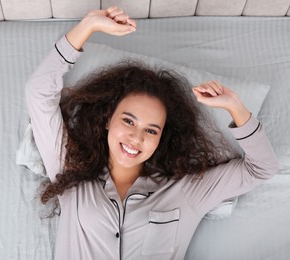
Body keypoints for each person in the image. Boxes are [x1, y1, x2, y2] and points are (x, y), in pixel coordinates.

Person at [25, 7, 279, 260]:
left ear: (161, 139)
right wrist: (87, 26)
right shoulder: (72, 176)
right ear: (107, 121)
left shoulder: (185, 192)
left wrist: (235, 106)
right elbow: (38, 93)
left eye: (151, 130)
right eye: (128, 121)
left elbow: (261, 168)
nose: (137, 138)